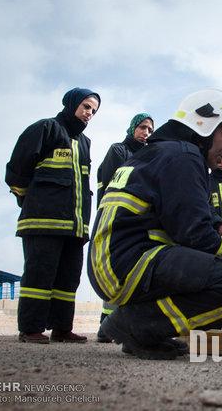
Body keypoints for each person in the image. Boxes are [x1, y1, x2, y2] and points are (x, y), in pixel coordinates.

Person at [89, 89, 222, 360]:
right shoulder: (184, 156)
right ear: (205, 123)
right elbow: (195, 234)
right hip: (130, 264)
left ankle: (143, 332)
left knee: (211, 267)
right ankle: (138, 326)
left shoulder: (159, 152)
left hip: (113, 264)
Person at [5, 87, 101, 344]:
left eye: (93, 110)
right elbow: (17, 170)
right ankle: (30, 328)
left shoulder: (84, 143)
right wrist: (28, 198)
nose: (89, 113)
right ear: (71, 104)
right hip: (42, 222)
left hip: (74, 226)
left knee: (68, 280)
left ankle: (61, 328)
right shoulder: (45, 129)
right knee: (39, 276)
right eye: (86, 106)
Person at [95, 113, 154, 343]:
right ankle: (105, 326)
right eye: (142, 127)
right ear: (132, 128)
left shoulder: (148, 156)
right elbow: (109, 184)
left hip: (138, 222)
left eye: (149, 130)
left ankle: (122, 326)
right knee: (116, 272)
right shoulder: (119, 151)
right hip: (116, 219)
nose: (146, 133)